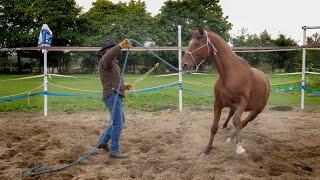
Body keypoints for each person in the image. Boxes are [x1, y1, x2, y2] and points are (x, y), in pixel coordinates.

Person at [96, 39, 133, 158]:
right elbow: (109, 56)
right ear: (107, 52)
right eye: (112, 49)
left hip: (114, 95)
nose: (115, 51)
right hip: (112, 96)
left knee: (120, 120)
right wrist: (120, 45)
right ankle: (114, 150)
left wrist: (124, 86)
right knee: (118, 123)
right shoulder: (105, 61)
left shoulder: (112, 64)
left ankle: (102, 142)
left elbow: (113, 81)